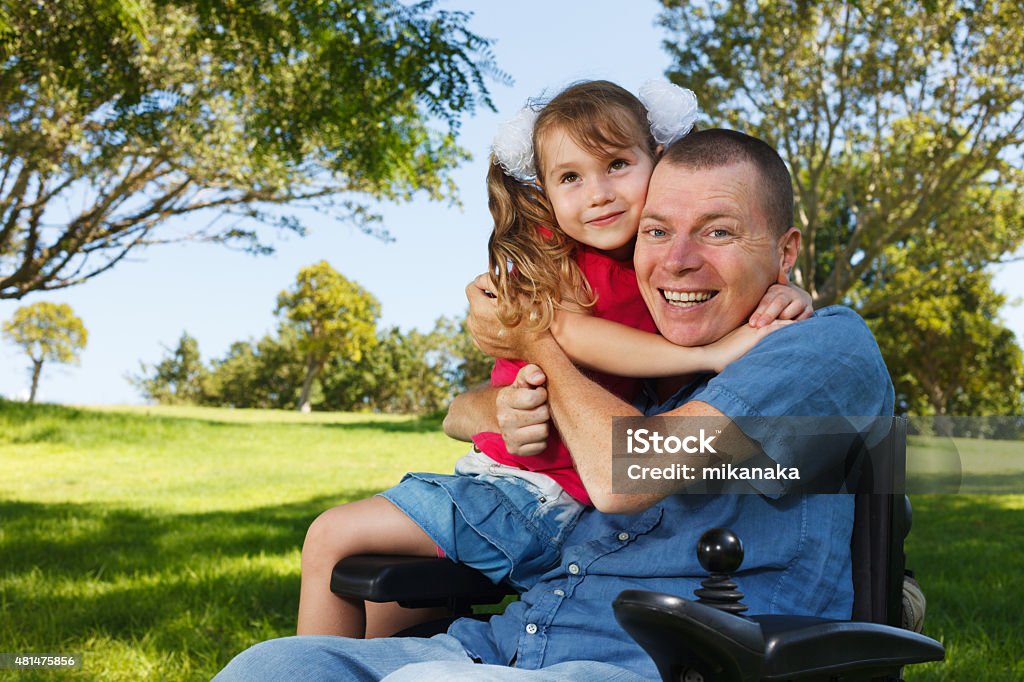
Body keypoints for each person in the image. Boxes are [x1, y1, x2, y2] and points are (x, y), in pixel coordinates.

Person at [215, 128, 893, 681]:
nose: (678, 260)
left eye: (717, 232)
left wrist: (539, 337)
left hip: (656, 665)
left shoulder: (822, 345)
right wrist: (504, 406)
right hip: (501, 646)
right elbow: (463, 412)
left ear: (784, 252)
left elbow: (626, 474)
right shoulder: (642, 354)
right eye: (656, 232)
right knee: (279, 663)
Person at [296, 81, 811, 638]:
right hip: (509, 476)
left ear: (657, 160)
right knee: (379, 619)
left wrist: (783, 298)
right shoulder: (558, 257)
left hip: (535, 495)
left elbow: (564, 335)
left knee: (330, 536)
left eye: (616, 164)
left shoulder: (663, 263)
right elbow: (530, 357)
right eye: (570, 177)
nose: (598, 194)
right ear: (544, 190)